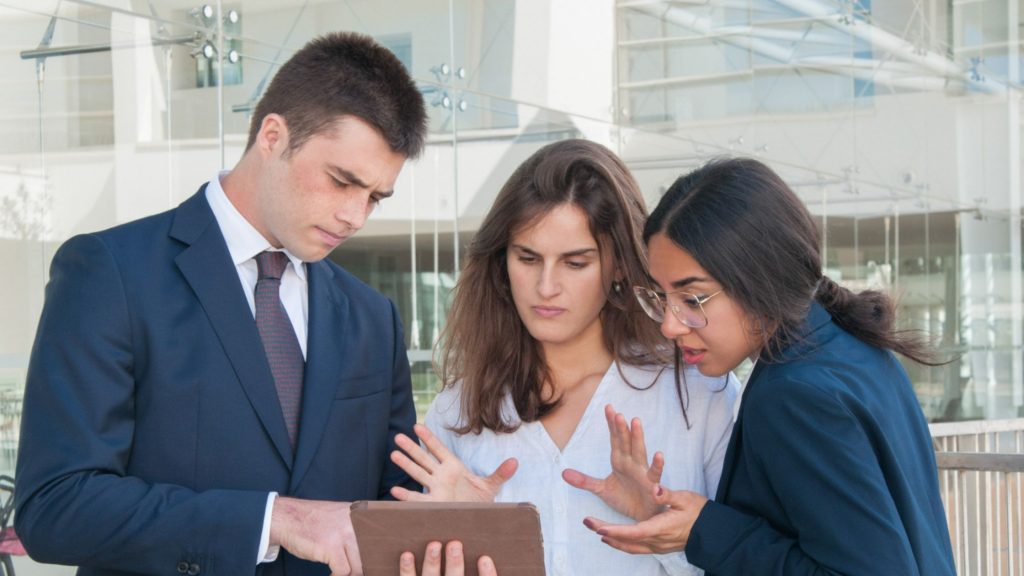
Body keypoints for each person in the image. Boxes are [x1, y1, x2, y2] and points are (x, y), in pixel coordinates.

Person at [15, 32, 428, 576]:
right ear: (274, 136)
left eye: (374, 197)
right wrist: (273, 519)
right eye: (342, 181)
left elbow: (389, 504)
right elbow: (55, 507)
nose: (356, 216)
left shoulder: (373, 317)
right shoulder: (110, 273)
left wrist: (448, 506)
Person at [572, 157, 957, 575]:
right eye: (661, 297)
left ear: (759, 278)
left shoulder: (793, 394)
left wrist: (705, 532)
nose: (669, 325)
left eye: (693, 299)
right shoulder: (851, 350)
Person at [389, 139, 737, 576]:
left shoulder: (697, 392)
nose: (546, 287)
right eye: (528, 258)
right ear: (502, 262)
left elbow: (745, 560)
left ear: (620, 267)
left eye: (575, 263)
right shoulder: (459, 409)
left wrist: (662, 530)